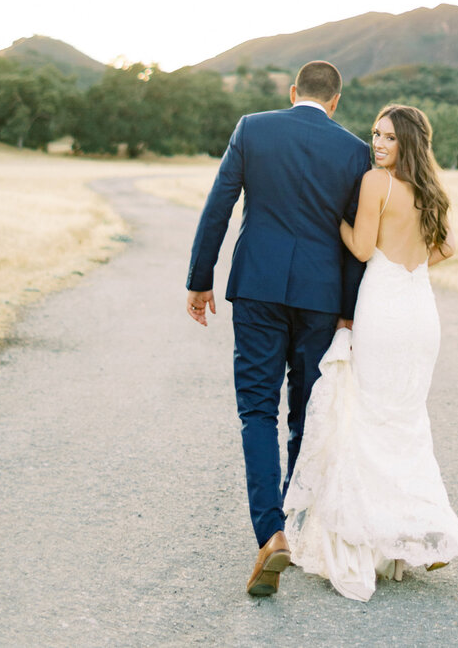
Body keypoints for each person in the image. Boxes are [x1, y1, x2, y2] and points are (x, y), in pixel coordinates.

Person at [185, 59, 370, 597]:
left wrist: (201, 279)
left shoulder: (253, 127)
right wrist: (348, 309)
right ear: (336, 100)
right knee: (306, 411)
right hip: (320, 296)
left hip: (258, 288)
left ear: (294, 92)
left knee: (257, 409)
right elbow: (356, 241)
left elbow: (219, 205)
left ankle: (270, 532)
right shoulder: (356, 151)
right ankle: (292, 523)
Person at [283, 103, 458, 601]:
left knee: (370, 418)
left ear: (407, 141)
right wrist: (413, 267)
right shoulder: (432, 189)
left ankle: (373, 534)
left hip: (385, 311)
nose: (378, 143)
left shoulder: (377, 183)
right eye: (375, 134)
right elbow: (448, 247)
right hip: (420, 310)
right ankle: (418, 528)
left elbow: (364, 249)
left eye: (389, 137)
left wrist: (335, 222)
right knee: (406, 422)